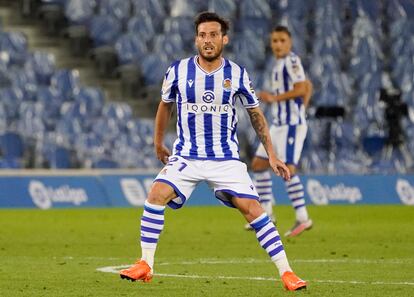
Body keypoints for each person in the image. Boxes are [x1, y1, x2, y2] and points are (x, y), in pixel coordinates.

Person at [119, 12, 307, 291]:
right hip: (186, 156)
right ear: (196, 39)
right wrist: (158, 142)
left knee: (252, 209)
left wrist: (272, 154)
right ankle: (145, 263)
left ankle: (287, 273)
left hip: (225, 159)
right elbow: (165, 106)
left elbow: (256, 115)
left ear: (224, 39)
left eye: (214, 35)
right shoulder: (178, 71)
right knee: (156, 194)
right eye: (203, 35)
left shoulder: (237, 73)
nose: (208, 40)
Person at [245, 26, 313, 237]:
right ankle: (267, 212)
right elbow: (308, 85)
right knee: (257, 164)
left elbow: (302, 88)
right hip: (278, 124)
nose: (277, 44)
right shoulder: (279, 64)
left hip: (291, 124)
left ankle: (303, 218)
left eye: (282, 40)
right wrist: (302, 105)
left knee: (288, 169)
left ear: (289, 43)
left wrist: (277, 99)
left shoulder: (292, 60)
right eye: (274, 40)